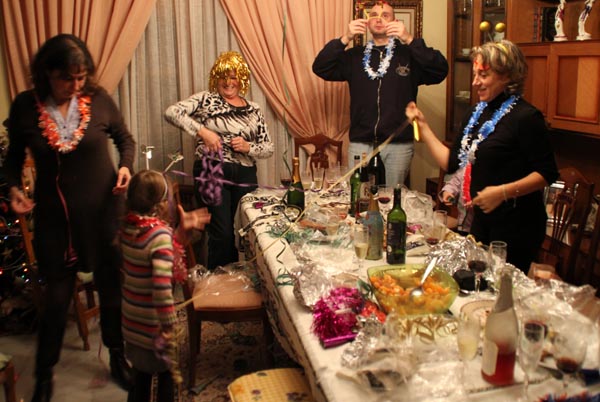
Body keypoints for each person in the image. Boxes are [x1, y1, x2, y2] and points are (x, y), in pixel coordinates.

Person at [4, 34, 136, 401]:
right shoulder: (26, 107)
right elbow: (13, 160)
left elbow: (125, 140)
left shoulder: (99, 99)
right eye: (67, 78)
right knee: (57, 300)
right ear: (46, 72)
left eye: (81, 77)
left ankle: (117, 356)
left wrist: (126, 166)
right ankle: (44, 374)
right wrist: (13, 188)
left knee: (111, 291)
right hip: (56, 222)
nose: (75, 86)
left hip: (104, 214)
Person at [406, 40, 559, 273]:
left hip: (517, 224)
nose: (475, 82)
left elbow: (547, 173)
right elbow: (452, 163)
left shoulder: (526, 117)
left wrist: (502, 192)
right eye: (475, 74)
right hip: (481, 221)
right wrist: (423, 127)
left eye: (483, 75)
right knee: (478, 281)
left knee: (503, 286)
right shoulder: (475, 113)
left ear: (507, 76)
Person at [312, 0, 448, 187]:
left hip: (398, 143)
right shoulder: (354, 56)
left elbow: (440, 70)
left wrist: (409, 38)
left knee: (393, 196)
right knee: (357, 194)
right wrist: (345, 38)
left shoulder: (409, 55)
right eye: (374, 15)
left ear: (395, 22)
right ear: (367, 22)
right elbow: (320, 67)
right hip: (361, 142)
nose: (378, 19)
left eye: (385, 15)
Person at [165, 51, 273, 270]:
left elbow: (268, 147)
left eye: (233, 77)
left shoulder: (254, 109)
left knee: (248, 232)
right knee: (222, 234)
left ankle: (245, 278)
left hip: (245, 173)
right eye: (223, 76)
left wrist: (249, 147)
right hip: (212, 171)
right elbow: (172, 112)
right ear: (216, 78)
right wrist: (203, 132)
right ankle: (221, 281)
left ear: (241, 79)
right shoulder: (206, 99)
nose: (228, 82)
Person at [121, 170, 210, 402]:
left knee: (140, 379)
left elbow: (153, 256)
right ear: (161, 204)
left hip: (133, 325)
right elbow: (161, 288)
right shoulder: (159, 235)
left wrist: (179, 234)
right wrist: (169, 323)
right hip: (154, 328)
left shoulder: (129, 229)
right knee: (166, 378)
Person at [439, 167, 473, 234]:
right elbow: (454, 183)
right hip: (462, 224)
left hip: (481, 226)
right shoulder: (465, 165)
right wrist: (447, 192)